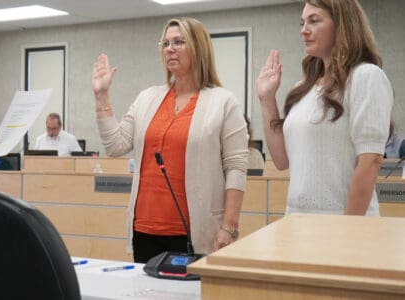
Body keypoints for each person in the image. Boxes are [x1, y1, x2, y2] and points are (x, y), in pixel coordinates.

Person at [92, 17, 249, 263]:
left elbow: (236, 167)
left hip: (194, 232)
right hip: (144, 228)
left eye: (178, 42)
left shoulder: (223, 102)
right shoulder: (148, 98)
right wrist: (102, 95)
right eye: (165, 43)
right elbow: (115, 145)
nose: (170, 49)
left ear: (199, 48)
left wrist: (229, 226)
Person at [256, 0, 393, 216]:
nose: (303, 30)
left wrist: (347, 228)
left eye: (314, 21)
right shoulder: (303, 88)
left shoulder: (365, 76)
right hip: (297, 222)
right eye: (302, 22)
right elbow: (281, 160)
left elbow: (371, 161)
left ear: (342, 25)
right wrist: (267, 99)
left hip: (344, 222)